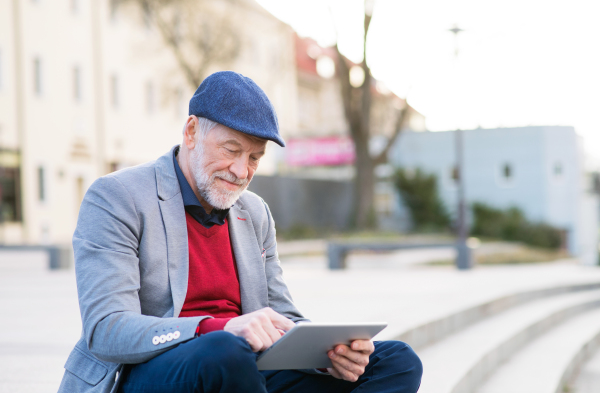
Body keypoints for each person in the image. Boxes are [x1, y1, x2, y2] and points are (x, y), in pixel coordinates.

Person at [58, 71, 422, 393]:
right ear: (191, 132)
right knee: (225, 352)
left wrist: (328, 355)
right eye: (231, 150)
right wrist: (216, 328)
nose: (241, 170)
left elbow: (282, 316)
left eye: (254, 158)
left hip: (244, 370)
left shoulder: (255, 212)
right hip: (149, 371)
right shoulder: (117, 197)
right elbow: (106, 330)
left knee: (397, 361)